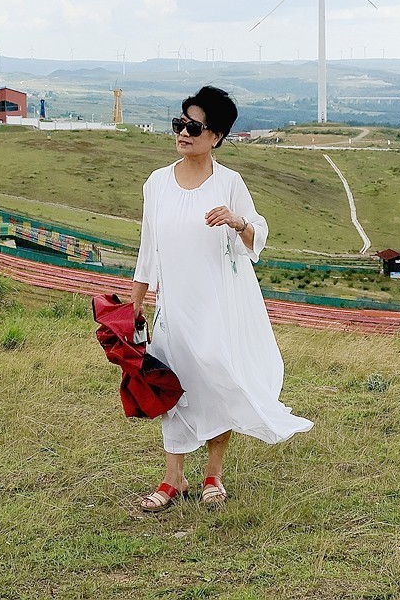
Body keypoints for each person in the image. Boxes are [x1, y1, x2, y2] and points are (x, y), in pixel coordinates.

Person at [130, 86, 313, 511]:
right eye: (180, 124)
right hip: (174, 307)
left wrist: (237, 221)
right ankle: (173, 479)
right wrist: (135, 302)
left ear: (216, 136)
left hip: (217, 305)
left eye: (194, 127)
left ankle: (213, 474)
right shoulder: (156, 183)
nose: (183, 133)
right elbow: (147, 247)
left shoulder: (230, 183)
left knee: (217, 380)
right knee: (170, 385)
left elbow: (256, 237)